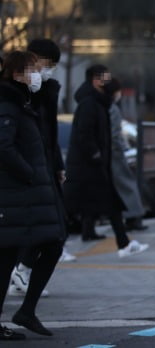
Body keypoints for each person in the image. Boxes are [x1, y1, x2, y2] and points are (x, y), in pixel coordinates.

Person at [0, 51, 65, 340]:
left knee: (50, 244)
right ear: (16, 74)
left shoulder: (22, 101)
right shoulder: (8, 103)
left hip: (30, 193)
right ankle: (24, 311)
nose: (37, 75)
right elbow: (3, 146)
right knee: (8, 256)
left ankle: (26, 311)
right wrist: (28, 173)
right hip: (18, 193)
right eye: (31, 70)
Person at [9, 39, 72, 301]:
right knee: (47, 230)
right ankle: (21, 273)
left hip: (43, 165)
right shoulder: (17, 91)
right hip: (28, 169)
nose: (48, 71)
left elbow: (50, 133)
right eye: (47, 64)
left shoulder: (47, 91)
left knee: (55, 229)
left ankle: (22, 273)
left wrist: (57, 165)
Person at [63, 64, 148, 258]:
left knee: (111, 204)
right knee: (69, 208)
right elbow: (84, 135)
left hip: (95, 165)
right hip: (86, 166)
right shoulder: (89, 104)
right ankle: (56, 247)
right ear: (95, 80)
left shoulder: (99, 103)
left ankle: (124, 244)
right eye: (105, 78)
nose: (109, 82)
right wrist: (95, 154)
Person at [104, 78, 148, 231]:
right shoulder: (113, 109)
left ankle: (129, 218)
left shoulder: (103, 107)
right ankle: (134, 217)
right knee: (127, 185)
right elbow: (115, 134)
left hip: (107, 154)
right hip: (115, 154)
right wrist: (122, 148)